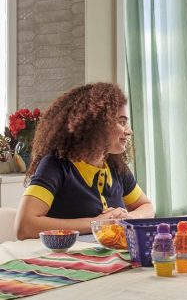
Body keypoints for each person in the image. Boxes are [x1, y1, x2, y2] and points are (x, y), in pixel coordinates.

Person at [15, 82, 155, 240]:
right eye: (121, 122)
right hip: (64, 260)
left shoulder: (115, 166)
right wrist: (97, 223)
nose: (129, 131)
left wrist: (128, 219)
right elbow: (25, 226)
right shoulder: (56, 165)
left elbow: (146, 206)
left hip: (104, 259)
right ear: (98, 125)